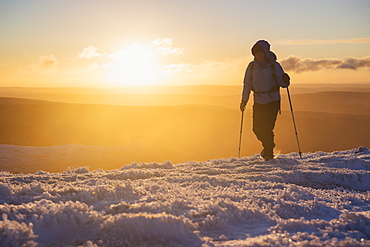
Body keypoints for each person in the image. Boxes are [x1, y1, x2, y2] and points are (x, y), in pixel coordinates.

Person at [240, 40, 290, 161]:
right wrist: (244, 101)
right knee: (256, 129)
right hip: (258, 101)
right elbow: (247, 84)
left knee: (267, 128)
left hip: (272, 101)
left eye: (261, 53)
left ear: (266, 52)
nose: (259, 56)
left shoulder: (274, 66)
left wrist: (285, 80)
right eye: (256, 54)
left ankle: (268, 153)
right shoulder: (251, 67)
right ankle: (269, 145)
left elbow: (283, 84)